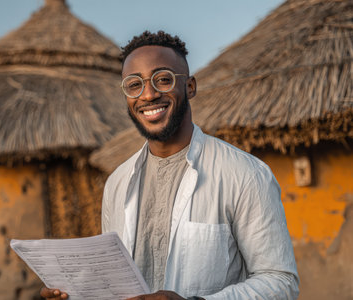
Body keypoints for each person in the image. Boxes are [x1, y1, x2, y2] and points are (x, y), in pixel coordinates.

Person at [41, 31, 299, 300]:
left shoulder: (245, 174)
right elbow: (115, 286)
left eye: (162, 79)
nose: (149, 94)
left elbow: (281, 282)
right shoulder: (117, 183)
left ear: (190, 86)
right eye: (134, 84)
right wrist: (73, 294)